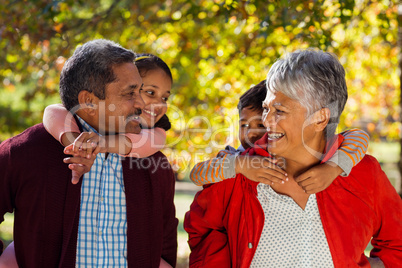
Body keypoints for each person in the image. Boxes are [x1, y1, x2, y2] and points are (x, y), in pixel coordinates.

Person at [184, 49, 402, 267]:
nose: (266, 122)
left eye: (279, 111)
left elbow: (396, 244)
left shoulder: (364, 174)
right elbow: (203, 231)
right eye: (266, 108)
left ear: (320, 118)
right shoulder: (239, 174)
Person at [0, 39, 178, 267]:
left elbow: (165, 243)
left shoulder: (155, 165)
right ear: (89, 101)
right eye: (130, 92)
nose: (142, 104)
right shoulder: (25, 152)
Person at [190, 80, 369, 195]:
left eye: (260, 126)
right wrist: (240, 165)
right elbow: (197, 175)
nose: (250, 133)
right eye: (244, 125)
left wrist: (333, 168)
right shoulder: (234, 156)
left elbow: (359, 137)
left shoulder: (305, 149)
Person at [42, 53, 172, 183]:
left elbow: (139, 141)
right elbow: (52, 111)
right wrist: (76, 144)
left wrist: (101, 144)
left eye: (165, 98)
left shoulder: (157, 134)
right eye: (150, 92)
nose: (159, 104)